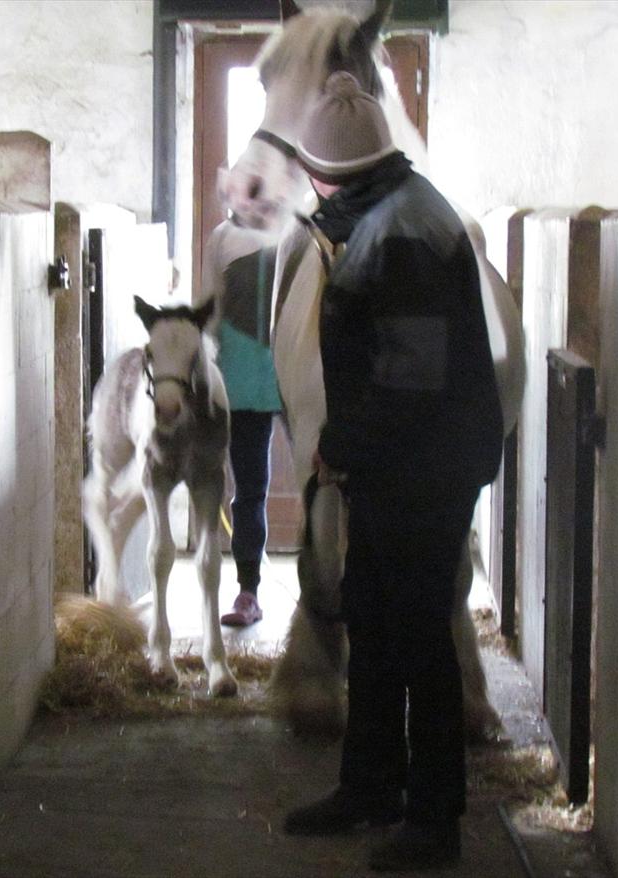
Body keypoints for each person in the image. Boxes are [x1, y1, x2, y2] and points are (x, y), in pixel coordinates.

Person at [280, 72, 504, 872]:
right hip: (401, 464)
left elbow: (408, 378)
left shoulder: (401, 236)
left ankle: (433, 818)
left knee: (417, 638)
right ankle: (369, 785)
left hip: (423, 471)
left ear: (326, 172)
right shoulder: (386, 213)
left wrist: (343, 446)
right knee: (374, 618)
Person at [200, 219, 282, 627]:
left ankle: (333, 597)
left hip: (300, 377)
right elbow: (208, 309)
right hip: (243, 378)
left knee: (329, 485)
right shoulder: (224, 237)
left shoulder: (302, 228)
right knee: (250, 489)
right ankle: (248, 592)